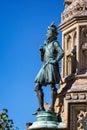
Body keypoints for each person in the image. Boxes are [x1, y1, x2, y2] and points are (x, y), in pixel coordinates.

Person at [34, 22, 64, 113]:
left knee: (52, 86)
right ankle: (41, 107)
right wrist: (41, 52)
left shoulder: (55, 43)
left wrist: (55, 60)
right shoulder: (47, 45)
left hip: (51, 65)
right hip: (45, 65)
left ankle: (52, 107)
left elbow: (61, 52)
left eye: (48, 33)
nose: (47, 34)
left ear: (52, 34)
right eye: (47, 33)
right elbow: (42, 59)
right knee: (37, 86)